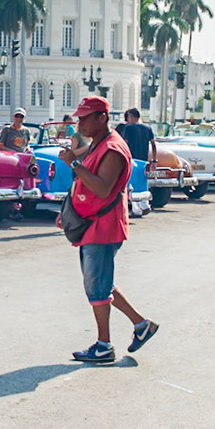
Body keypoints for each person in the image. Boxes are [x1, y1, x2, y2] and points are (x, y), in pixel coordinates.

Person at [58, 95, 158, 364]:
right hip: (92, 223)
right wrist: (69, 213)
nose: (80, 123)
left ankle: (104, 346)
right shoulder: (100, 144)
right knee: (102, 282)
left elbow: (102, 188)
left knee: (97, 287)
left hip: (103, 227)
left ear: (102, 118)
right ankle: (141, 325)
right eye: (78, 117)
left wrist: (74, 164)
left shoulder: (113, 148)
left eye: (85, 117)